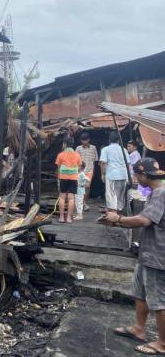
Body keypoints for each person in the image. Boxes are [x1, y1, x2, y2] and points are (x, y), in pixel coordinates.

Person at [104, 158, 165, 355]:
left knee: (158, 301)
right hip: (147, 253)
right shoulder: (155, 192)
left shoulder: (161, 194)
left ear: (144, 175)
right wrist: (118, 222)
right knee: (140, 292)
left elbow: (143, 220)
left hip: (158, 255)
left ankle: (162, 343)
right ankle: (139, 329)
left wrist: (119, 219)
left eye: (137, 174)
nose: (135, 178)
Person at [100, 131, 131, 212]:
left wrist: (103, 174)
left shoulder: (105, 149)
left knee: (111, 195)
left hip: (111, 175)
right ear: (118, 140)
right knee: (120, 195)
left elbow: (103, 163)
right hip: (123, 175)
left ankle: (113, 214)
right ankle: (119, 213)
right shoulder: (124, 149)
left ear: (109, 140)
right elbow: (128, 163)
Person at [55, 138, 82, 223]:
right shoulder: (77, 155)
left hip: (63, 177)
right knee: (71, 198)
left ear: (64, 144)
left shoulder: (61, 154)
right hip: (73, 178)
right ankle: (69, 218)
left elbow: (58, 167)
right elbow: (79, 167)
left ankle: (62, 217)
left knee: (62, 197)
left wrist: (58, 176)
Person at [75, 132, 98, 211]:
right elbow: (75, 160)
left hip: (89, 170)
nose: (84, 142)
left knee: (87, 187)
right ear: (80, 140)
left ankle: (85, 203)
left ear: (89, 140)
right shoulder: (78, 148)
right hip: (80, 171)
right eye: (83, 140)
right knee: (80, 187)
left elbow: (95, 160)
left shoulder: (93, 148)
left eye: (86, 140)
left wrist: (93, 171)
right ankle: (80, 203)